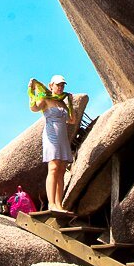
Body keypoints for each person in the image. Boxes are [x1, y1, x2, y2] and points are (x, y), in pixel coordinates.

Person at [29, 74, 87, 211]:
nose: (60, 87)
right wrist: (31, 91)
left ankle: (59, 204)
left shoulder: (62, 103)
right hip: (51, 135)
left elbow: (71, 120)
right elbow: (34, 108)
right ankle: (51, 203)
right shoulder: (46, 99)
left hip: (62, 137)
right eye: (58, 85)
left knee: (61, 170)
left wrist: (71, 103)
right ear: (51, 86)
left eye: (62, 85)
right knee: (53, 168)